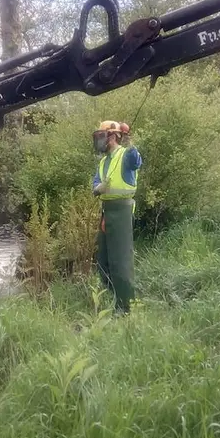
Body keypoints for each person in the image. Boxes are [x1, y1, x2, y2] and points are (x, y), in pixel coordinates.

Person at [92, 120, 142, 314]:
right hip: (106, 210)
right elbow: (94, 186)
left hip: (121, 211)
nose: (98, 141)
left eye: (101, 136)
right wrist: (98, 188)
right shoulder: (104, 162)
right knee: (103, 259)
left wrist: (129, 142)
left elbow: (136, 160)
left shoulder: (126, 155)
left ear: (112, 137)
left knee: (120, 261)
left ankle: (125, 307)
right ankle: (111, 298)